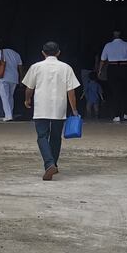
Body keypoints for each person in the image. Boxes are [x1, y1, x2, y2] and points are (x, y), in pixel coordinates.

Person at [22, 41, 80, 181]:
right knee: (55, 137)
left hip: (41, 107)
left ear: (43, 53)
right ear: (59, 52)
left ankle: (49, 164)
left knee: (42, 136)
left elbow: (29, 87)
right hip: (59, 108)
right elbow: (70, 91)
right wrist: (74, 110)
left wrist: (27, 99)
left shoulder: (36, 67)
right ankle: (53, 164)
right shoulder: (66, 67)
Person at [97, 29, 127, 122]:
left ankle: (117, 115)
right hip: (125, 68)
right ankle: (126, 114)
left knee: (115, 92)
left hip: (112, 68)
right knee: (126, 91)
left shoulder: (108, 45)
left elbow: (102, 59)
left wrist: (100, 70)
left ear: (113, 35)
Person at [0, 42, 23, 121]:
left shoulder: (0, 52)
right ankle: (10, 114)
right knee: (10, 97)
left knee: (4, 97)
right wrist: (20, 79)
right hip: (14, 78)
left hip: (3, 78)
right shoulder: (17, 54)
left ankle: (8, 116)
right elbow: (20, 67)